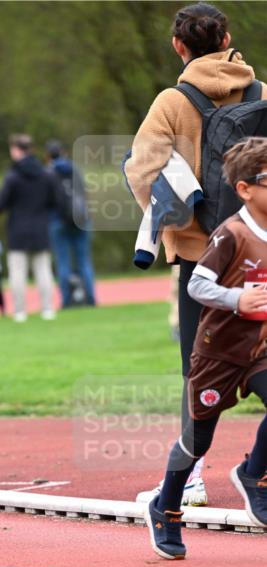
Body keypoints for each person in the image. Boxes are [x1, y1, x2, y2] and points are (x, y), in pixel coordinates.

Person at [124, 2, 267, 506]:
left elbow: (143, 172)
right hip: (259, 248)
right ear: (228, 37)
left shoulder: (171, 100)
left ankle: (192, 480)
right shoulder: (263, 93)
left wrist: (181, 225)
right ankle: (257, 468)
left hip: (199, 256)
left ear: (178, 46)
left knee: (198, 368)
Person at [146, 138, 267, 560]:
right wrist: (237, 299)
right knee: (198, 440)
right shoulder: (231, 233)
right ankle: (166, 507)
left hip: (260, 349)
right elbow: (197, 284)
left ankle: (254, 476)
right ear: (245, 190)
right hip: (219, 352)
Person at [0, 134, 61, 323]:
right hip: (41, 227)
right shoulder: (46, 174)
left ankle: (20, 312)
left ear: (16, 150)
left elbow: (1, 204)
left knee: (18, 273)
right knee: (43, 270)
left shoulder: (13, 177)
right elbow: (56, 201)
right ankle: (47, 309)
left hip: (18, 229)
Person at [46, 140, 96, 308]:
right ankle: (91, 299)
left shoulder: (48, 173)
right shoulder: (75, 169)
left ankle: (66, 301)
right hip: (81, 220)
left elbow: (47, 200)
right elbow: (84, 193)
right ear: (64, 152)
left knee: (63, 262)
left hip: (58, 222)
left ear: (48, 156)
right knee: (84, 261)